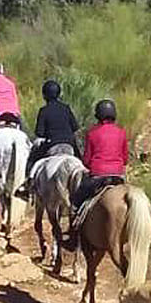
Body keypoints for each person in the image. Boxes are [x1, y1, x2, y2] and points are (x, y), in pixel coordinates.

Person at [66, 99, 128, 242]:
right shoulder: (121, 132)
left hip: (98, 176)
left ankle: (73, 234)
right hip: (118, 176)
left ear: (98, 115)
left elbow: (87, 160)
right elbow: (125, 159)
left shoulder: (92, 133)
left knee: (76, 200)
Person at [30, 79, 80, 170]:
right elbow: (75, 127)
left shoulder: (44, 110)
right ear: (59, 93)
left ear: (44, 95)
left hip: (52, 144)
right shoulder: (66, 108)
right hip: (69, 145)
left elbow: (39, 133)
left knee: (34, 161)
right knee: (81, 161)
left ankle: (30, 177)